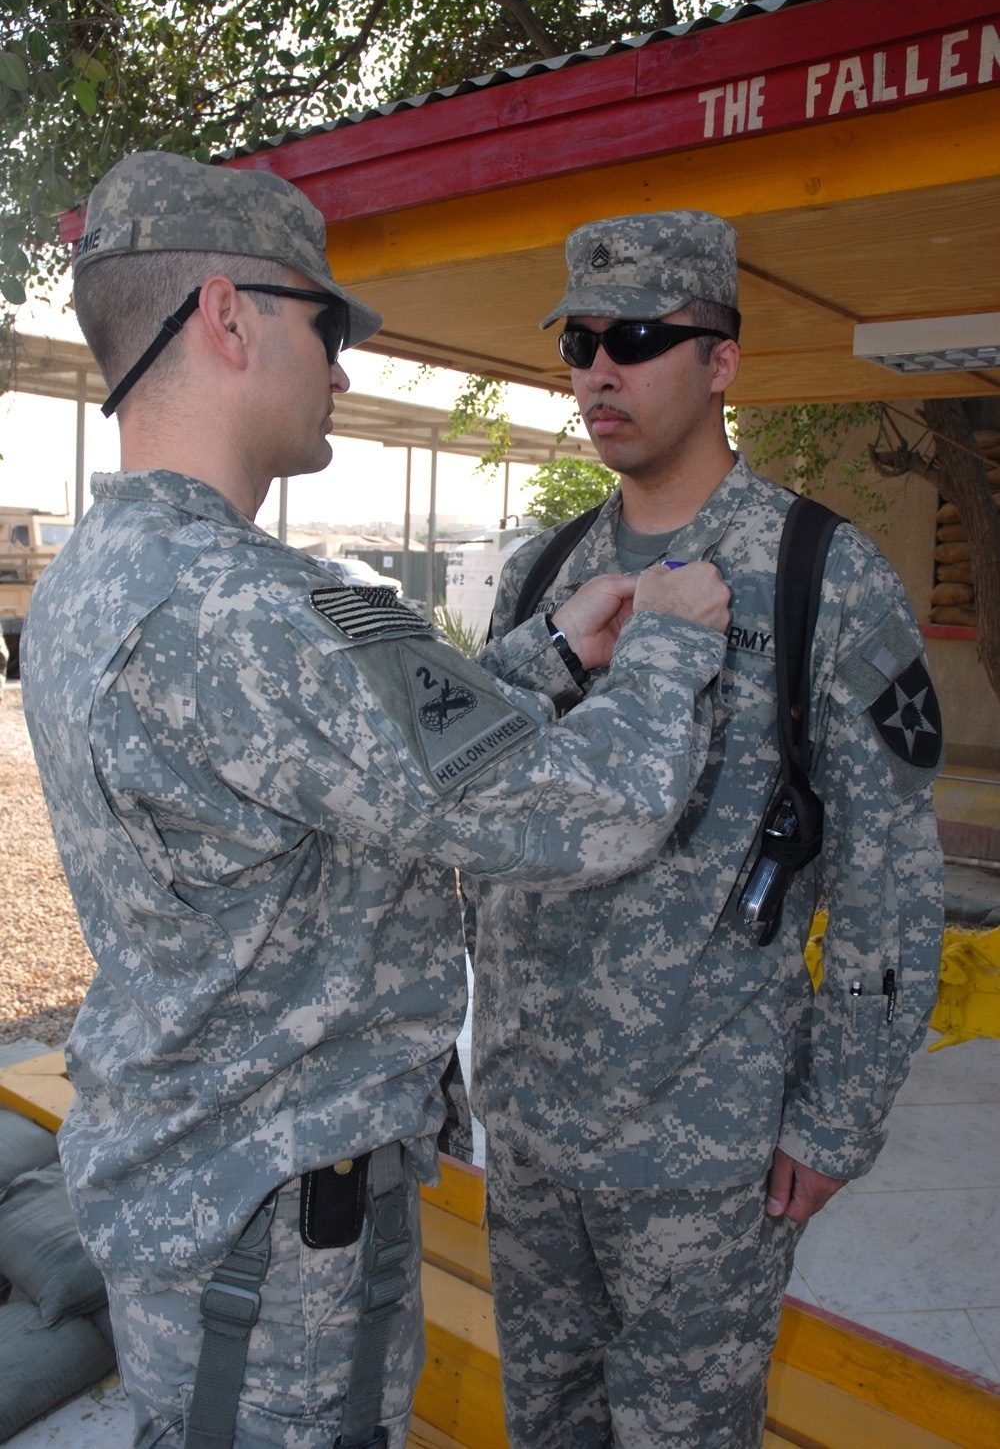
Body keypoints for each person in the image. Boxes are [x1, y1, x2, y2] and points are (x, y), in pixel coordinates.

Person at [20, 157, 732, 1449]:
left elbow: (367, 767)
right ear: (228, 316)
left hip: (205, 1192)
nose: (344, 367)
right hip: (281, 1246)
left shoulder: (106, 573)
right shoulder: (251, 611)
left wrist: (556, 650)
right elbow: (584, 806)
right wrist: (677, 641)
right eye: (327, 323)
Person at [470, 210, 945, 1448]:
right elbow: (465, 810)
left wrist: (836, 1119)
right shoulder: (542, 576)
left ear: (721, 362)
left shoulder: (817, 575)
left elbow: (890, 886)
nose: (596, 372)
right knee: (548, 1429)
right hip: (527, 1134)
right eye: (578, 340)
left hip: (702, 1152)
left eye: (634, 337)